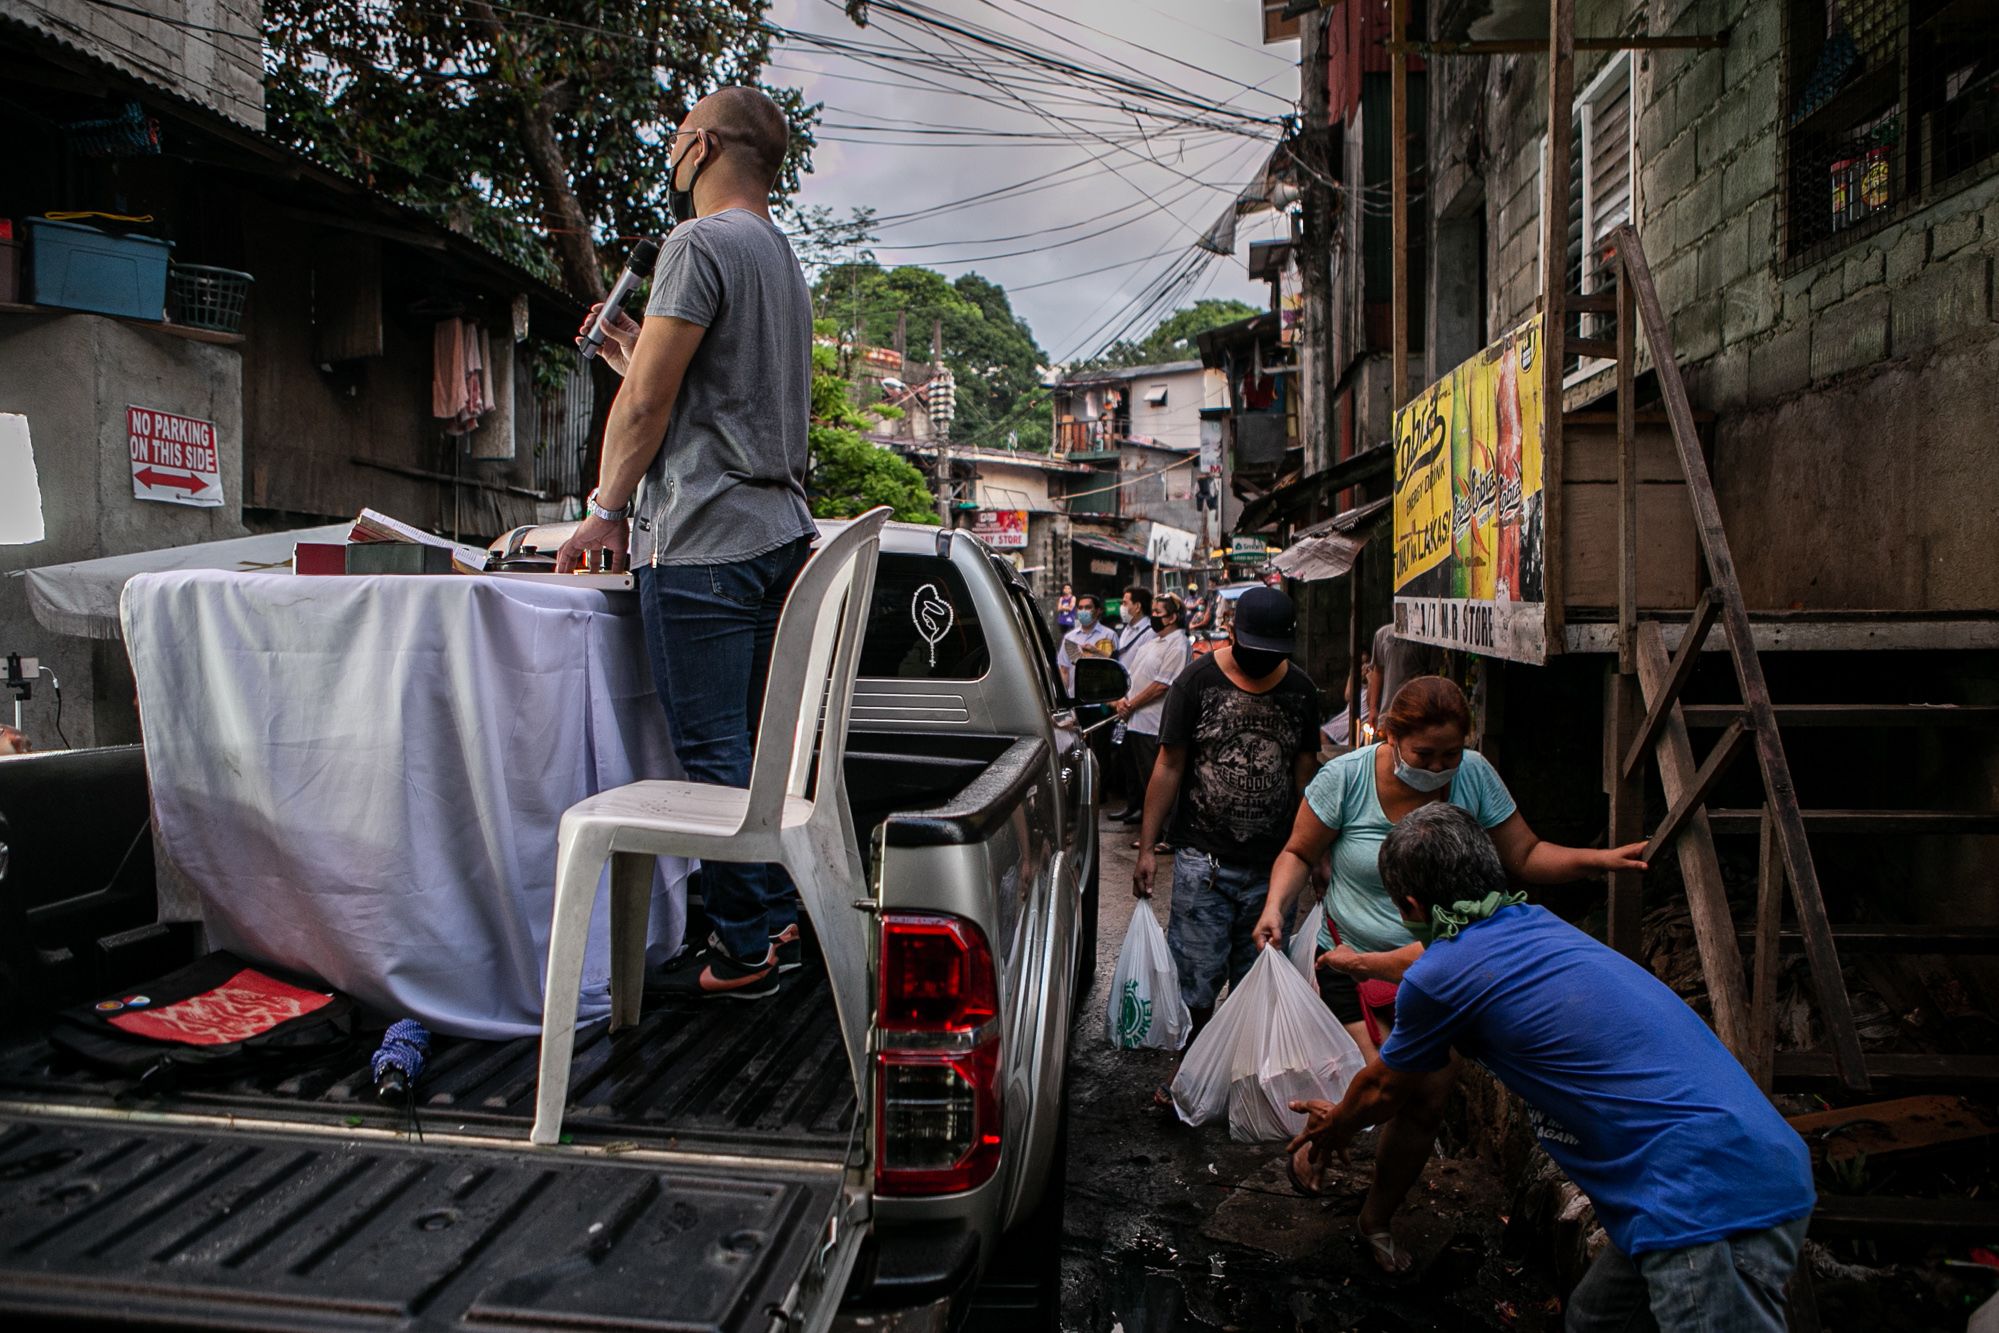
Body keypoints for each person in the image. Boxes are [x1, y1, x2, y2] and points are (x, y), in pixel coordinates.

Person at [1286, 803, 1813, 1325]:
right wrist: (1359, 962)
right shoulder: (1532, 924)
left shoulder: (1441, 976)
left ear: (1409, 904)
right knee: (1592, 1319)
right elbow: (1430, 958)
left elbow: (1382, 1090)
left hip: (1701, 1196)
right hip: (1737, 1156)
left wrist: (1334, 1127)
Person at [556, 86, 814, 1001]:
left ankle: (742, 953)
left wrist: (605, 507)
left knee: (713, 758)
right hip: (779, 535)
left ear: (699, 145)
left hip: (703, 540)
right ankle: (777, 915)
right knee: (756, 752)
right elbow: (706, 396)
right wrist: (634, 346)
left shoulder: (696, 244)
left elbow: (651, 404)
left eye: (674, 143)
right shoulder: (779, 259)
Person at [1133, 587, 1321, 1095]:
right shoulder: (1196, 683)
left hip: (1274, 868)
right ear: (1232, 633)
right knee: (1195, 979)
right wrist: (1149, 847)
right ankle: (1193, 1072)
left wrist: (1317, 855)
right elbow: (1168, 765)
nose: (1260, 661)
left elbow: (1307, 779)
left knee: (1257, 978)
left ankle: (1242, 1079)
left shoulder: (1302, 694)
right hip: (1203, 863)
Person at [1108, 593, 1189, 835]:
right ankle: (1152, 829)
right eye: (1152, 611)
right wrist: (1122, 701)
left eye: (1158, 613)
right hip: (1136, 722)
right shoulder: (1152, 642)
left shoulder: (1178, 643)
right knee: (1142, 778)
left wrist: (1131, 704)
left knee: (1159, 782)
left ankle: (1168, 833)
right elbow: (1133, 677)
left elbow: (1162, 685)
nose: (1152, 616)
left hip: (1154, 723)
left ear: (1173, 617)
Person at [1365, 622, 1442, 732]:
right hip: (1387, 711)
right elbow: (1378, 671)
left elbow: (1435, 674)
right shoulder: (1383, 634)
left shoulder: (1427, 637)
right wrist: (1373, 708)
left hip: (1415, 711)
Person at [1058, 593, 1117, 695]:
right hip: (1075, 700)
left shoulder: (1109, 635)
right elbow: (1064, 670)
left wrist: (1097, 652)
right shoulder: (1069, 638)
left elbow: (1116, 667)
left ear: (1098, 611)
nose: (1083, 611)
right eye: (1080, 608)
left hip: (1102, 700)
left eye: (1088, 607)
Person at [1115, 586, 1156, 662]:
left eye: (1125, 603)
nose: (1121, 607)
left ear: (1137, 607)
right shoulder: (1127, 628)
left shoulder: (1150, 632)